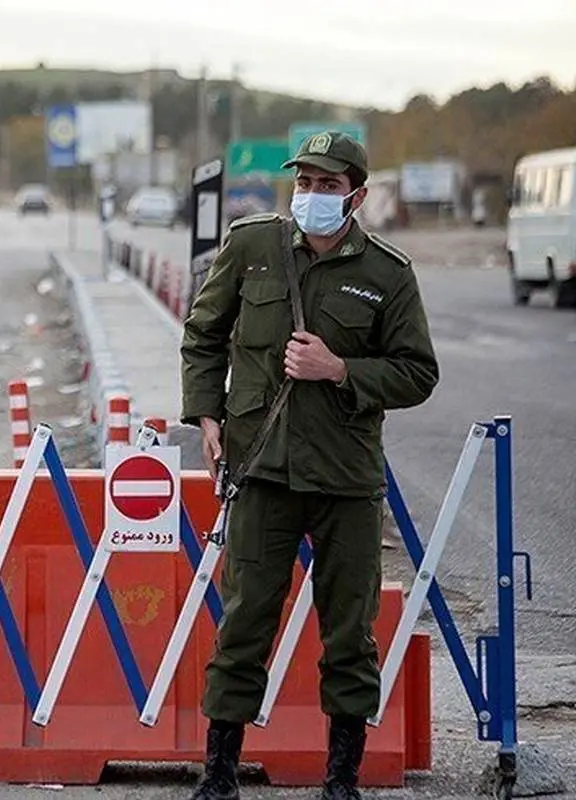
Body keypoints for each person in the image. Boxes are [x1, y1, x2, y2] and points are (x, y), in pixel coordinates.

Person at [179, 131, 439, 800]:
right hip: (262, 470)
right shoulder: (253, 246)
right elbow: (204, 333)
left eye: (328, 186)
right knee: (243, 624)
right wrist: (207, 417)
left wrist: (340, 368)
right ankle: (218, 776)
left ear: (356, 194)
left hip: (346, 481)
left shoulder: (388, 274)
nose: (313, 196)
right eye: (305, 183)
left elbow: (418, 373)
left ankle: (341, 781)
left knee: (349, 635)